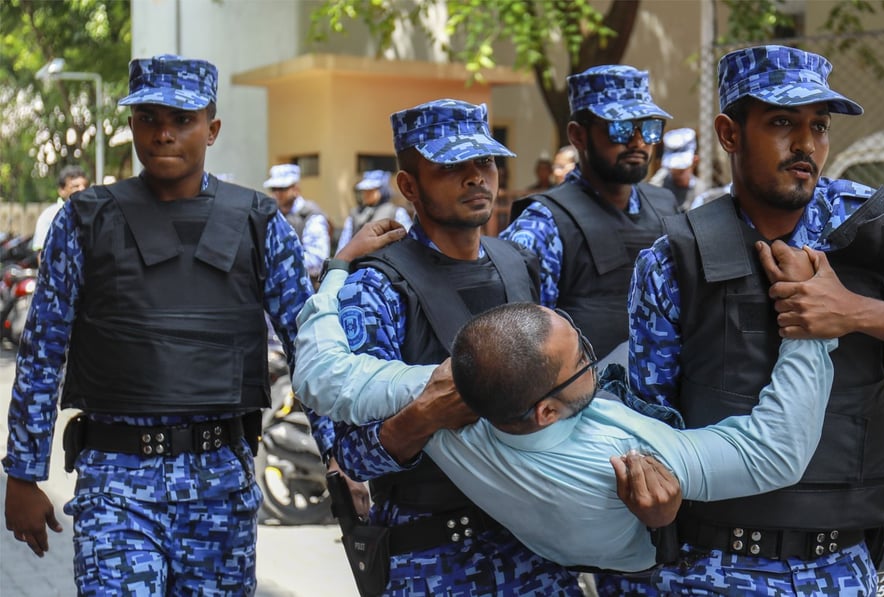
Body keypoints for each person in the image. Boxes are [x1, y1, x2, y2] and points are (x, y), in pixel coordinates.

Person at [628, 44, 884, 595]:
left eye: (819, 126)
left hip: (841, 567)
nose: (806, 144)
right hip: (710, 569)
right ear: (729, 134)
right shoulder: (675, 259)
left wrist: (854, 312)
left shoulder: (872, 228)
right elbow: (648, 426)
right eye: (782, 122)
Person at [294, 237, 840, 572]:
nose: (592, 358)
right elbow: (776, 451)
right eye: (582, 361)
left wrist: (338, 267)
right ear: (546, 412)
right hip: (630, 568)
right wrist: (809, 326)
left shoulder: (440, 395)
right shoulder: (618, 454)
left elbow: (320, 374)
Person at [1, 54, 314, 594]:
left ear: (211, 129)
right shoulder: (84, 221)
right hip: (115, 486)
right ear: (132, 125)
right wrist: (23, 473)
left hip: (220, 488)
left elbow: (311, 351)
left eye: (182, 119)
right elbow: (42, 353)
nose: (164, 133)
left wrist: (341, 460)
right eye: (149, 118)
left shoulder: (259, 222)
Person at [319, 99, 584, 595]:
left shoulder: (520, 265)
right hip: (436, 559)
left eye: (485, 161)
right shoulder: (377, 288)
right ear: (409, 186)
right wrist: (424, 416)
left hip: (537, 553)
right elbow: (352, 454)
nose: (476, 177)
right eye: (450, 166)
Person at [502, 65, 677, 359]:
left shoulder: (666, 207)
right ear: (578, 136)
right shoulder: (544, 223)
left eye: (648, 128)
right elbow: (520, 343)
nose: (638, 142)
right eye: (620, 128)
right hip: (581, 388)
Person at [263, 162, 332, 279]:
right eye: (273, 189)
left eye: (282, 188)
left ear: (296, 189)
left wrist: (277, 262)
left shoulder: (311, 215)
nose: (277, 193)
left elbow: (317, 261)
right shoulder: (272, 213)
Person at [334, 169, 412, 251]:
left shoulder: (396, 212)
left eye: (371, 190)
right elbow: (344, 244)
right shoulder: (355, 213)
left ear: (382, 190)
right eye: (365, 191)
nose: (366, 194)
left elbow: (407, 241)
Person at [31, 165, 89, 258]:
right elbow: (42, 256)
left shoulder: (92, 214)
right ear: (62, 190)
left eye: (85, 186)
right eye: (75, 186)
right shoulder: (49, 216)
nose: (82, 190)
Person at [648, 127, 708, 212]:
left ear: (695, 161)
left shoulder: (700, 190)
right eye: (673, 167)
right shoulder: (658, 185)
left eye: (682, 169)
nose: (676, 172)